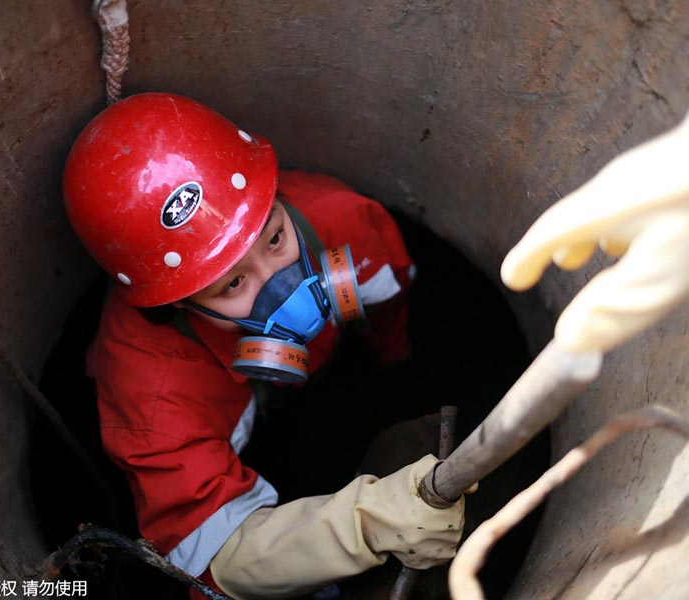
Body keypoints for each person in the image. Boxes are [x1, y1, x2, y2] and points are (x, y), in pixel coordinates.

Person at [62, 92, 465, 599]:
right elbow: (215, 561)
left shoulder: (339, 222)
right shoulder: (154, 399)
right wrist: (361, 527)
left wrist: (393, 360)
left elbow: (392, 297)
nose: (279, 282)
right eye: (231, 284)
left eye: (272, 239)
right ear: (176, 304)